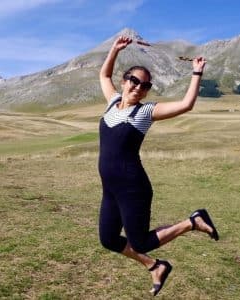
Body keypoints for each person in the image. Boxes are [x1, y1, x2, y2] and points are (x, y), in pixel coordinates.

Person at [98, 35, 219, 296]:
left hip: (133, 187)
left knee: (140, 240)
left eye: (145, 85)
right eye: (134, 81)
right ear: (124, 81)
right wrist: (115, 50)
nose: (139, 87)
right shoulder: (111, 102)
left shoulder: (144, 112)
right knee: (108, 239)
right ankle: (155, 266)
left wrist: (196, 73)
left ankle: (192, 222)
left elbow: (186, 105)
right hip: (111, 189)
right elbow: (104, 76)